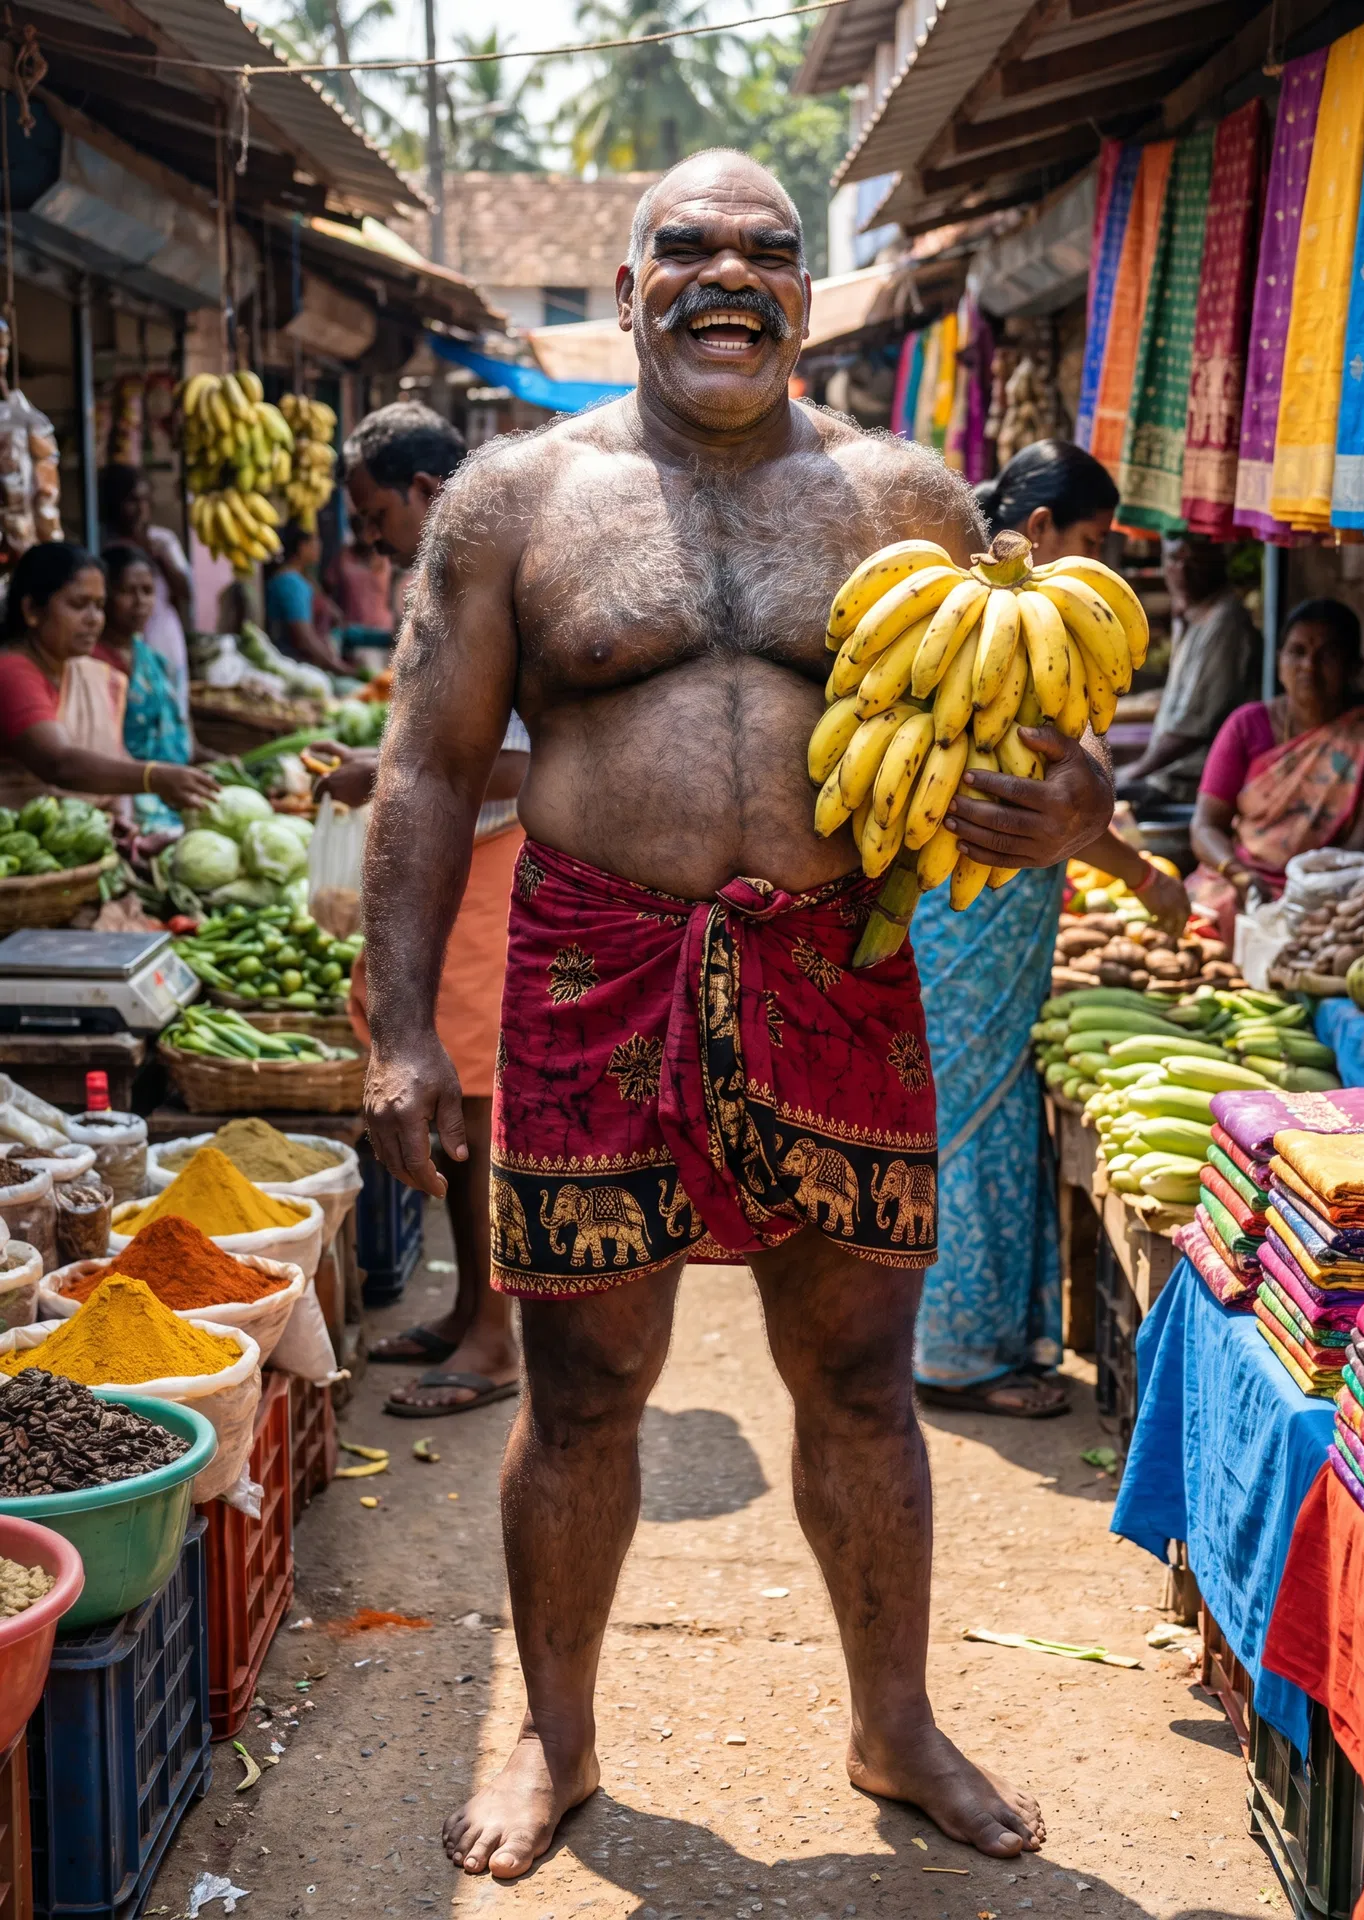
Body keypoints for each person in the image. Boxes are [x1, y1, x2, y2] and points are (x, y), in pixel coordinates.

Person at [361, 151, 1115, 1880]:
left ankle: (892, 1722)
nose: (726, 276)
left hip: (834, 968)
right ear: (622, 293)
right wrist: (399, 1022)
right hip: (588, 970)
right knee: (582, 1385)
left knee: (857, 1378)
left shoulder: (907, 500)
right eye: (683, 250)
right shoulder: (511, 501)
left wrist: (1069, 810)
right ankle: (555, 1746)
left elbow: (1034, 737)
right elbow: (426, 761)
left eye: (765, 254)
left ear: (805, 295)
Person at [910, 441, 1189, 1422]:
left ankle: (964, 1342)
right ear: (1038, 534)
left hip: (968, 909)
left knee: (965, 1118)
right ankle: (960, 1357)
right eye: (1093, 539)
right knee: (974, 1126)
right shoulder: (1010, 638)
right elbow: (1057, 805)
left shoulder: (963, 616)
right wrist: (1149, 878)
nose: (1104, 561)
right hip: (975, 908)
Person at [324, 400, 526, 1419]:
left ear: (425, 492)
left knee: (479, 1114)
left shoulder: (498, 574)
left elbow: (538, 757)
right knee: (454, 1112)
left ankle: (493, 1340)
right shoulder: (444, 578)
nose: (371, 540)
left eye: (374, 517)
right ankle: (465, 1315)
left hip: (495, 870)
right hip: (462, 866)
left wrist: (396, 769)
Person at [1189, 598, 1364, 943]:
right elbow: (1205, 825)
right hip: (1238, 878)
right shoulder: (1247, 725)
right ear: (1279, 662)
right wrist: (1241, 875)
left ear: (1353, 667)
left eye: (1327, 655)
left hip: (1323, 890)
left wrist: (1303, 893)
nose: (1309, 666)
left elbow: (1357, 849)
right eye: (1296, 651)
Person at [0, 542, 217, 816]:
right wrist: (153, 777)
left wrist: (121, 815)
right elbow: (58, 763)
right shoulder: (12, 672)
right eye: (79, 605)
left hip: (85, 837)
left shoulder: (87, 673)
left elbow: (114, 754)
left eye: (99, 606)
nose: (94, 619)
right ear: (32, 610)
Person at [1115, 534, 1258, 812]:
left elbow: (1193, 727)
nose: (1182, 569)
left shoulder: (1225, 623)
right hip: (1169, 778)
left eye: (1194, 559)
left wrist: (1133, 772)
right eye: (1174, 559)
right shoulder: (1194, 618)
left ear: (1218, 562)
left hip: (1189, 786)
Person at [95, 544, 200, 830]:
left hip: (174, 788)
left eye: (148, 590)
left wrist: (220, 762)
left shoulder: (152, 659)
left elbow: (180, 726)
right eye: (128, 591)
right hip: (130, 799)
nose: (140, 601)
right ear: (105, 596)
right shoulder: (93, 665)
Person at [97, 464, 193, 711]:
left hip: (161, 633)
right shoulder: (102, 544)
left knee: (169, 701)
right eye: (132, 501)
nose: (140, 509)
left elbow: (187, 592)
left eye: (145, 501)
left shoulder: (163, 541)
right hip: (119, 636)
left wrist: (162, 559)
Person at [264, 524, 347, 674]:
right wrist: (340, 668)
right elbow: (305, 640)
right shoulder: (290, 583)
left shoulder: (304, 579)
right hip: (295, 665)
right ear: (302, 547)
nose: (320, 550)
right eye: (315, 545)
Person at [327, 528, 394, 643]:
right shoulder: (344, 556)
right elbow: (327, 588)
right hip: (350, 632)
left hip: (383, 632)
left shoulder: (389, 558)